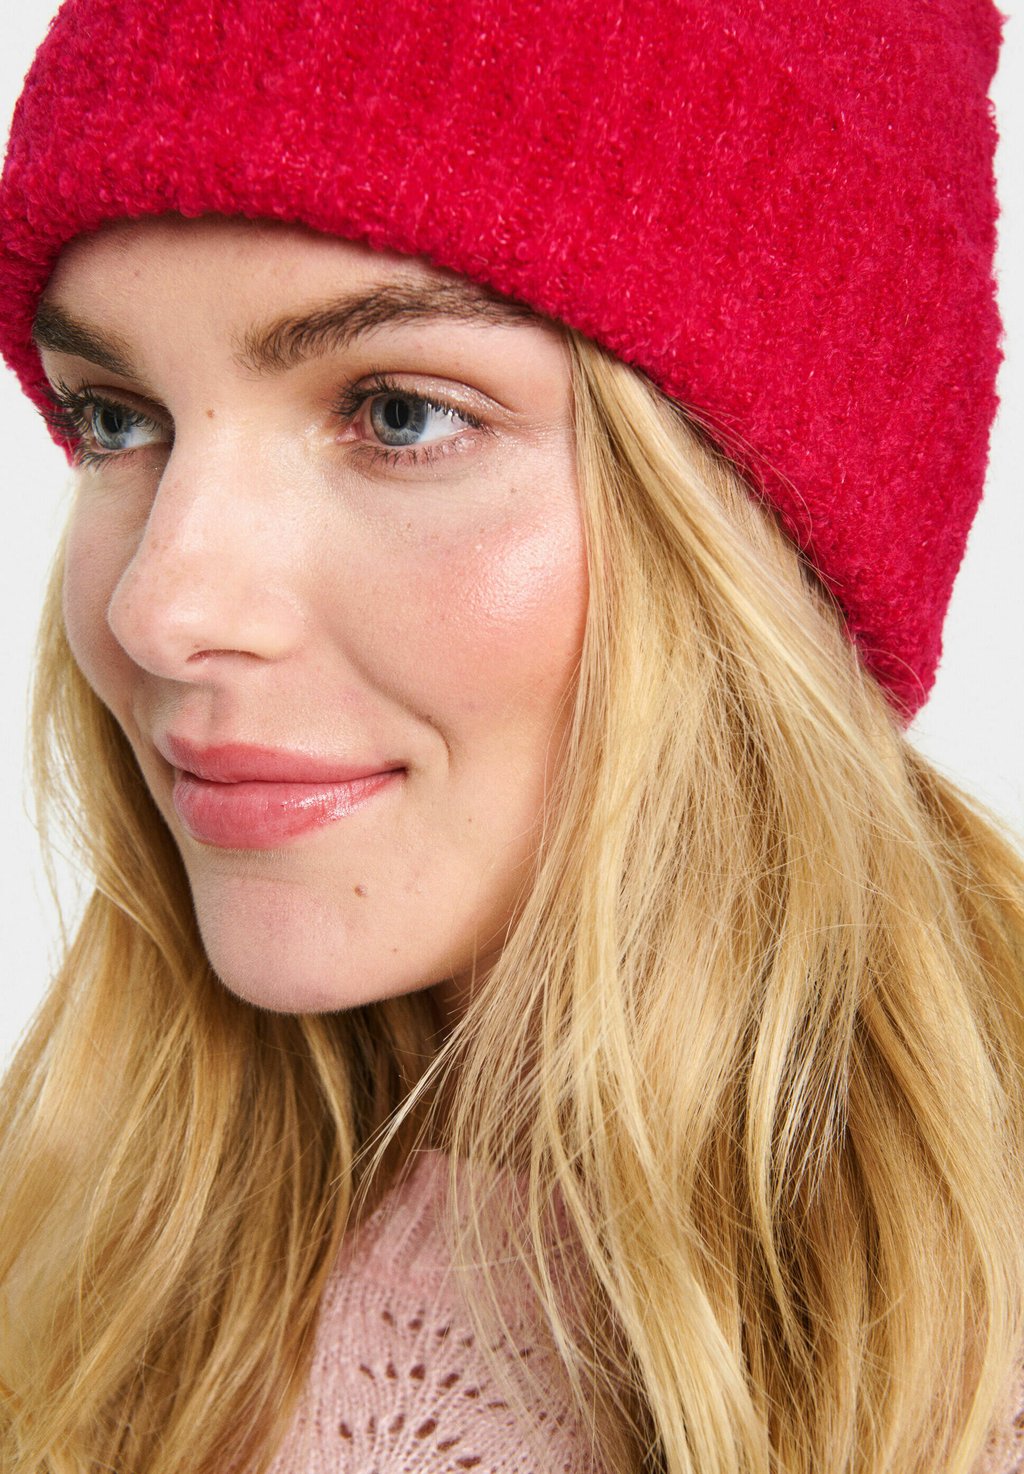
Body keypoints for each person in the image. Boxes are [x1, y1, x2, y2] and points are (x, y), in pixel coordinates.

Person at [0, 0, 1021, 1470]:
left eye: (399, 414)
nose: (161, 608)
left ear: (761, 533)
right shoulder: (69, 1271)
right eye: (114, 418)